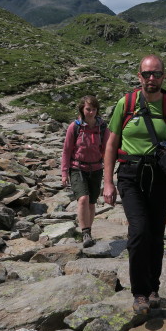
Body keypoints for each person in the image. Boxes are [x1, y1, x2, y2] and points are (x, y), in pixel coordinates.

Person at [103, 54, 166, 314]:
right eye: (147, 74)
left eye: (157, 74)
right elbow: (110, 145)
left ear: (164, 76)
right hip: (130, 174)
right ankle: (139, 292)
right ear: (139, 76)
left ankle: (153, 289)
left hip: (160, 177)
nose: (152, 78)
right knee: (139, 232)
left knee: (155, 236)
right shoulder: (125, 103)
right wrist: (108, 182)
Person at [61, 95, 109, 247]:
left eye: (94, 109)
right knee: (83, 199)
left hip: (96, 168)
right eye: (88, 109)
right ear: (82, 109)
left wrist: (108, 171)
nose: (91, 112)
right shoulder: (74, 127)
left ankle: (88, 231)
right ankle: (85, 233)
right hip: (77, 168)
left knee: (92, 203)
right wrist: (64, 172)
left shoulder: (102, 127)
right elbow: (66, 151)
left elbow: (107, 150)